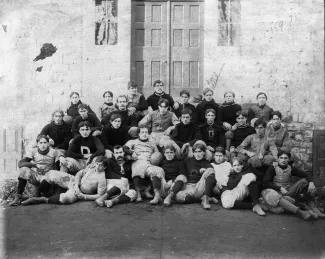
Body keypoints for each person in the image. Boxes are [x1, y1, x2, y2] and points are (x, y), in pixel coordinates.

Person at [261, 151, 324, 219]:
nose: (283, 160)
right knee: (277, 201)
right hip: (276, 192)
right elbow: (265, 182)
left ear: (289, 159)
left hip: (288, 191)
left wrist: (311, 182)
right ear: (278, 159)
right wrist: (279, 188)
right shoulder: (272, 167)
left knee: (305, 181)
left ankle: (313, 207)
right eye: (281, 158)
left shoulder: (290, 168)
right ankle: (303, 211)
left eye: (285, 158)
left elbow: (307, 174)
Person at [22, 156, 108, 205]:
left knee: (64, 199)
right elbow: (79, 174)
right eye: (96, 164)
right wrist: (77, 184)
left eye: (100, 165)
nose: (96, 166)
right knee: (52, 174)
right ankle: (37, 194)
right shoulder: (91, 167)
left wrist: (83, 196)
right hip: (72, 181)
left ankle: (42, 199)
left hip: (78, 193)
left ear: (104, 167)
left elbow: (99, 195)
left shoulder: (102, 179)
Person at [9, 135, 66, 206]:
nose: (43, 145)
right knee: (24, 169)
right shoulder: (33, 151)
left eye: (45, 143)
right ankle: (18, 197)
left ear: (48, 144)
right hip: (37, 177)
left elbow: (61, 154)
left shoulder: (54, 152)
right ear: (37, 144)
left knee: (35, 197)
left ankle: (38, 194)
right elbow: (21, 163)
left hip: (48, 178)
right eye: (41, 143)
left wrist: (61, 157)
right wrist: (35, 165)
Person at [124, 126, 165, 205]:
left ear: (149, 134)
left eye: (146, 132)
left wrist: (156, 159)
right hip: (137, 160)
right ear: (139, 134)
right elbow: (124, 148)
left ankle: (156, 195)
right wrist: (132, 152)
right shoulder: (133, 141)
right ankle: (138, 193)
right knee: (137, 169)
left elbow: (157, 154)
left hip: (149, 162)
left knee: (156, 171)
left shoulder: (152, 143)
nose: (144, 134)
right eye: (142, 132)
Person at [174, 141, 218, 210]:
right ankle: (202, 199)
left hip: (199, 186)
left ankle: (206, 198)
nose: (198, 154)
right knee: (178, 197)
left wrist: (205, 171)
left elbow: (213, 180)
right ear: (193, 153)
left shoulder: (207, 163)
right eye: (196, 152)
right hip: (188, 186)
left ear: (203, 152)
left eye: (200, 152)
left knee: (210, 170)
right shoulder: (187, 161)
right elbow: (182, 174)